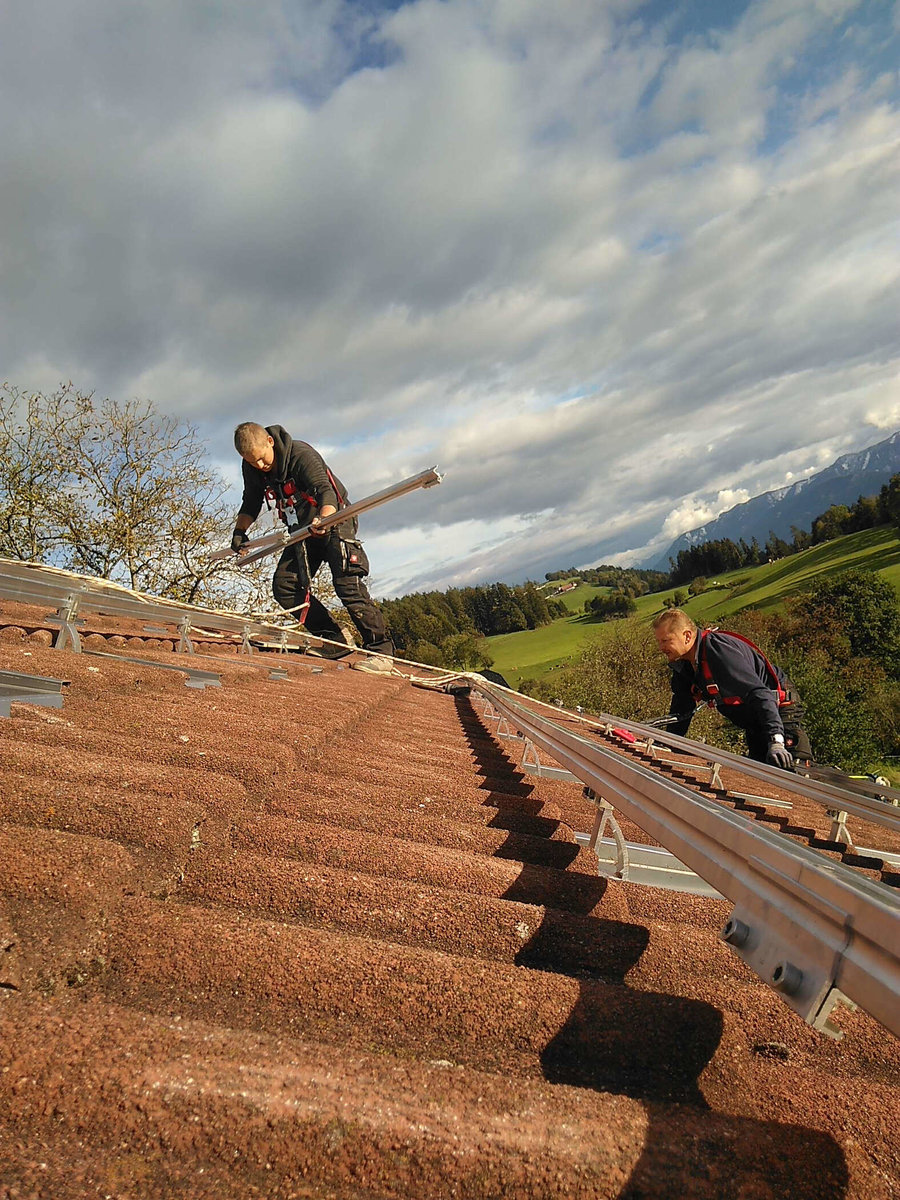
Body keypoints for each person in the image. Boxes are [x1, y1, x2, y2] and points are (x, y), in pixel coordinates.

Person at [230, 422, 393, 673]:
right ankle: (334, 640)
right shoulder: (252, 467)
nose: (260, 466)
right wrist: (240, 531)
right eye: (252, 462)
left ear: (270, 442)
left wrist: (324, 518)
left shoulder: (300, 454)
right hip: (302, 529)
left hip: (334, 519)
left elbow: (325, 491)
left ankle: (381, 651)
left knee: (346, 582)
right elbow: (251, 500)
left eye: (262, 459)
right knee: (285, 585)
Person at [652, 608, 811, 768]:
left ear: (687, 636)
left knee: (791, 774)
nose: (660, 648)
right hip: (755, 721)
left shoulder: (719, 652)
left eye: (665, 641)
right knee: (760, 777)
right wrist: (668, 744)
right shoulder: (684, 665)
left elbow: (760, 694)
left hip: (777, 715)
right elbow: (682, 707)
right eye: (658, 642)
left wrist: (776, 740)